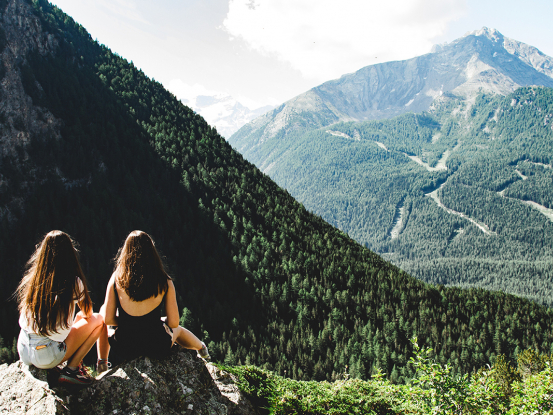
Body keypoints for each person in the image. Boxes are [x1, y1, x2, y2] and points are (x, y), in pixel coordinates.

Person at [97, 230, 208, 371]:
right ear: (152, 252)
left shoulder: (116, 279)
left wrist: (130, 322)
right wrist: (151, 321)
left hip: (125, 346)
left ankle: (102, 362)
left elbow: (108, 319)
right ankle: (202, 349)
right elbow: (174, 323)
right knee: (178, 330)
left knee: (101, 314)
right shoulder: (164, 281)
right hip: (157, 345)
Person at [16, 230, 106, 385]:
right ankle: (72, 369)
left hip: (24, 349)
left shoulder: (32, 279)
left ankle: (68, 366)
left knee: (77, 321)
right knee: (98, 320)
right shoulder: (72, 282)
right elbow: (88, 312)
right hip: (46, 355)